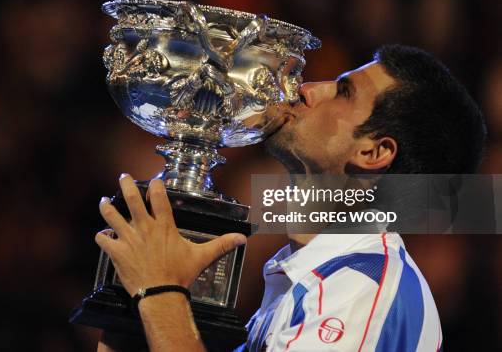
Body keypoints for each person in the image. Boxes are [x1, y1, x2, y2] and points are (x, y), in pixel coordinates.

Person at [94, 45, 486, 351]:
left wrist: (161, 292)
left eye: (343, 93)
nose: (309, 88)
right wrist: (129, 309)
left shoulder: (361, 291)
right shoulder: (306, 274)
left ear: (373, 152)